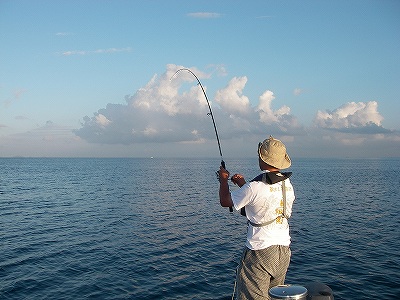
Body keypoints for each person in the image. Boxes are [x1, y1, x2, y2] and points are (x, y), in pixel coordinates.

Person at [218, 136, 295, 299]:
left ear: (262, 158)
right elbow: (263, 206)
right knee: (274, 296)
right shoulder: (286, 185)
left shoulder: (255, 186)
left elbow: (225, 201)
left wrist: (223, 180)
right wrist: (243, 185)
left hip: (260, 251)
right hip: (283, 251)